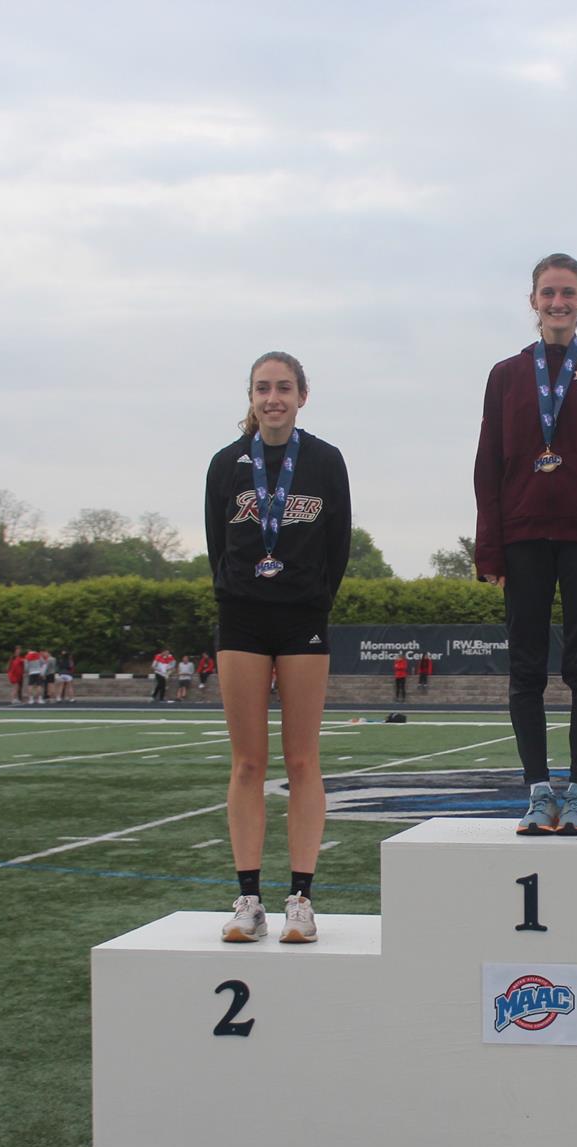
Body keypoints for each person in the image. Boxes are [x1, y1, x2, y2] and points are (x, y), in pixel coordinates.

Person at [473, 252, 577, 836]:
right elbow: (487, 465)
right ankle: (536, 790)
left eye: (568, 293)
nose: (558, 303)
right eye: (548, 293)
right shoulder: (506, 374)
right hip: (522, 537)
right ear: (532, 301)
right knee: (525, 671)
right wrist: (489, 549)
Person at [207, 350, 352, 946]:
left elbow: (337, 544)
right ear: (250, 395)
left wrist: (311, 598)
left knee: (301, 761)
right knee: (247, 762)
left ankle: (301, 899)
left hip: (302, 621)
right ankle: (248, 898)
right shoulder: (225, 465)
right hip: (241, 620)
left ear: (302, 396)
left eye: (284, 388)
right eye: (263, 388)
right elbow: (217, 544)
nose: (274, 398)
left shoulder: (324, 461)